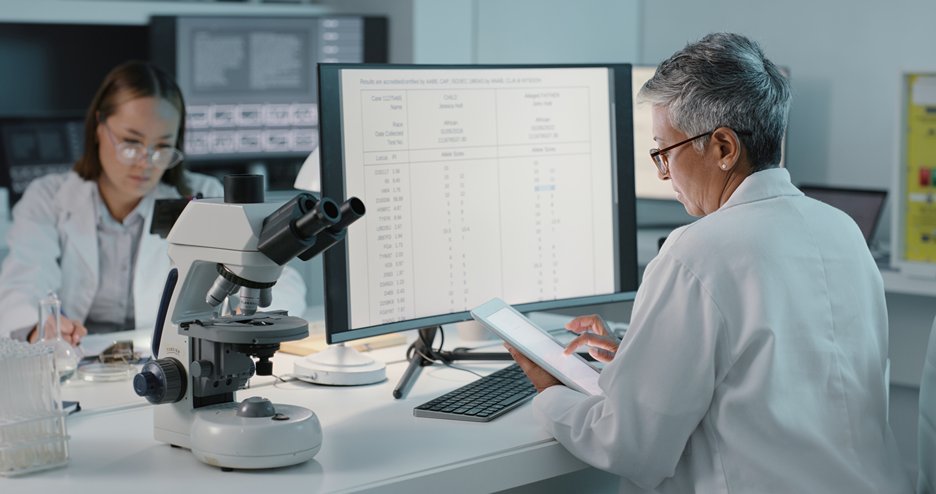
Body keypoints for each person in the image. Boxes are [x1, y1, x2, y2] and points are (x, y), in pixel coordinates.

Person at [506, 33, 911, 492]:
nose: (664, 173)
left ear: (722, 147)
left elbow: (628, 445)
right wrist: (644, 358)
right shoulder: (842, 230)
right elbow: (788, 379)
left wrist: (549, 392)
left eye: (664, 152)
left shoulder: (696, 252)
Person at [0, 61, 306, 345]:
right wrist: (39, 327)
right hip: (78, 358)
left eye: (161, 147)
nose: (145, 163)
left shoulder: (203, 197)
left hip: (167, 352)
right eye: (131, 143)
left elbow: (285, 284)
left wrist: (245, 309)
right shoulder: (47, 198)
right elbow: (23, 282)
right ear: (98, 127)